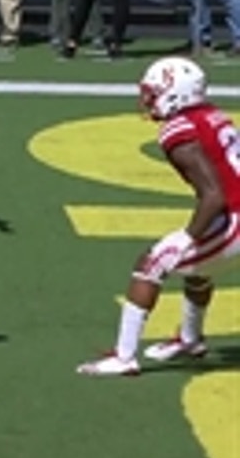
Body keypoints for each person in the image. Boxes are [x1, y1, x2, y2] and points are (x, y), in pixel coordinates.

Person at [76, 56, 240, 376]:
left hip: (234, 218)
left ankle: (124, 357)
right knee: (197, 267)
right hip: (233, 214)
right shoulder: (212, 114)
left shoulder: (178, 129)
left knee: (150, 265)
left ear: (175, 93)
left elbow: (213, 194)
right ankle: (190, 339)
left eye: (152, 93)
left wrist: (188, 237)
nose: (147, 100)